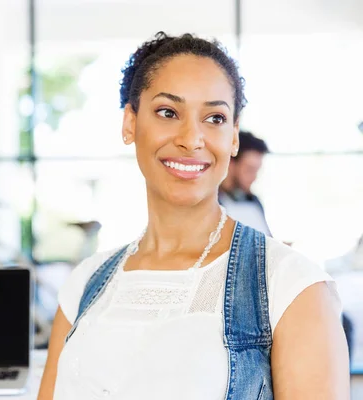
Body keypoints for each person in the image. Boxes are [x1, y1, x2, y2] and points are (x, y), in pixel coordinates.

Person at [38, 32, 349, 399]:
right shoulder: (85, 284)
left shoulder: (292, 286)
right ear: (130, 123)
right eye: (168, 112)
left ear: (233, 137)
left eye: (214, 118)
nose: (191, 138)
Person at [219, 130, 272, 236]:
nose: (254, 178)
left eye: (257, 171)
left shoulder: (254, 201)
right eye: (249, 170)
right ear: (230, 164)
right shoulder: (210, 203)